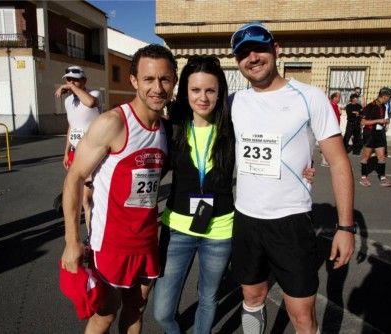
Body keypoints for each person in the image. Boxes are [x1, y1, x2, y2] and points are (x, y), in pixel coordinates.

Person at [229, 22, 355, 334]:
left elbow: (339, 162)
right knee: (252, 296)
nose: (253, 57)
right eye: (244, 53)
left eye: (259, 48)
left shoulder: (310, 96)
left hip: (291, 221)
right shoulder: (234, 102)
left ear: (276, 48)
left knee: (300, 313)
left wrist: (345, 227)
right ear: (237, 62)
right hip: (245, 219)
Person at [60, 44, 178, 334]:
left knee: (136, 312)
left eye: (165, 79)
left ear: (174, 81)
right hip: (111, 244)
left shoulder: (165, 129)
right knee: (104, 316)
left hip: (147, 239)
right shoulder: (112, 123)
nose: (157, 87)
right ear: (134, 81)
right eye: (149, 79)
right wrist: (72, 241)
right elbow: (74, 178)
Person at [152, 55, 235, 334]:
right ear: (185, 91)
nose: (203, 97)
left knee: (208, 299)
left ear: (219, 91)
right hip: (177, 229)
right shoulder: (171, 127)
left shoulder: (232, 130)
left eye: (210, 90)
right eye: (196, 90)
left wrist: (301, 170)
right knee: (162, 311)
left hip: (220, 230)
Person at [55, 65, 101, 237]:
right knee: (79, 198)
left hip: (92, 153)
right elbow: (71, 126)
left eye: (75, 79)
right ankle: (89, 234)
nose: (70, 83)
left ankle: (91, 238)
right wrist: (66, 151)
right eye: (68, 79)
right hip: (75, 152)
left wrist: (72, 88)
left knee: (88, 200)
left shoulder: (95, 94)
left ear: (84, 81)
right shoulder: (68, 102)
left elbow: (90, 103)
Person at [359, 87, 391, 187]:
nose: (389, 99)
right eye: (389, 97)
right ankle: (363, 177)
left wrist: (385, 121)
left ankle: (383, 178)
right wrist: (378, 121)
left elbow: (381, 119)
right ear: (384, 96)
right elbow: (363, 122)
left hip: (379, 134)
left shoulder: (383, 106)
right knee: (366, 157)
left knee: (382, 157)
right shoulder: (371, 106)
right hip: (369, 134)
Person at [321, 91, 341, 166]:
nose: (340, 99)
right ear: (334, 98)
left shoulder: (335, 105)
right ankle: (324, 160)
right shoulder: (330, 105)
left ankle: (327, 159)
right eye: (339, 97)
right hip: (330, 127)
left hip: (335, 127)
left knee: (331, 145)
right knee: (326, 143)